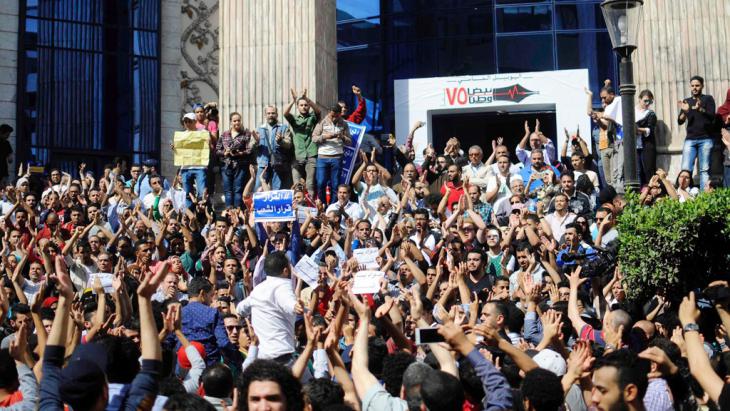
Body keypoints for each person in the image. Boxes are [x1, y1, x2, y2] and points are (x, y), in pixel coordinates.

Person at [678, 75, 716, 190]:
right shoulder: (687, 101)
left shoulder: (708, 99)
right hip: (690, 139)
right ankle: (684, 196)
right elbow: (680, 121)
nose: (694, 88)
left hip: (706, 138)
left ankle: (704, 197)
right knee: (685, 168)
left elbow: (712, 117)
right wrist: (684, 112)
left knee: (704, 170)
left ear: (702, 86)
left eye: (697, 85)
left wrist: (700, 109)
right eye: (692, 86)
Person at [312, 104, 352, 204]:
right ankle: (323, 204)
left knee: (335, 185)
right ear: (329, 113)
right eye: (332, 115)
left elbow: (349, 141)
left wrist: (342, 137)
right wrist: (325, 137)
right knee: (321, 183)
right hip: (322, 157)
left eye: (336, 116)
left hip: (337, 157)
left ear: (340, 114)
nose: (333, 118)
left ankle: (333, 206)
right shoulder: (322, 122)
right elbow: (314, 138)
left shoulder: (344, 124)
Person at [284, 88, 321, 196]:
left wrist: (307, 99)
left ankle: (312, 209)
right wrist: (293, 100)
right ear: (298, 107)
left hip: (311, 154)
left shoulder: (312, 117)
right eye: (301, 105)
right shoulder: (294, 119)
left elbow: (318, 112)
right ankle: (298, 208)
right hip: (297, 155)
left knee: (310, 184)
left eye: (306, 105)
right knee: (297, 185)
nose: (304, 107)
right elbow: (285, 113)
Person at [217, 112, 257, 208]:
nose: (237, 122)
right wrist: (224, 153)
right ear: (231, 122)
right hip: (226, 166)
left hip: (240, 165)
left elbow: (249, 150)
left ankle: (238, 212)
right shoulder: (224, 134)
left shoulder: (246, 134)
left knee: (238, 190)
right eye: (234, 121)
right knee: (227, 191)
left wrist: (239, 153)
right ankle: (229, 213)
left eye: (238, 120)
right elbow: (217, 150)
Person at [174, 113, 210, 208]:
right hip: (185, 168)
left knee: (202, 192)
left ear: (195, 122)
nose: (187, 123)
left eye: (189, 121)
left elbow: (208, 146)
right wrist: (175, 148)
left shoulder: (202, 133)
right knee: (187, 193)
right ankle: (189, 213)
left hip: (200, 167)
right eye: (185, 121)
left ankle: (201, 212)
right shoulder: (181, 136)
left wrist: (208, 142)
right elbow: (179, 151)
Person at [256, 105, 292, 191]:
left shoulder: (284, 128)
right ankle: (261, 205)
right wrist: (255, 142)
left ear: (277, 114)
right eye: (268, 113)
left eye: (273, 113)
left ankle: (275, 205)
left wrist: (281, 141)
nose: (270, 115)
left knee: (277, 189)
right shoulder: (260, 129)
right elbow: (251, 147)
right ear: (265, 115)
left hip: (278, 163)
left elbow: (289, 144)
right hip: (263, 163)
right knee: (259, 189)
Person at [636, 90, 658, 184]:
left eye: (650, 101)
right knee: (637, 171)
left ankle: (650, 193)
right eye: (645, 101)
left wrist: (637, 129)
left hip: (647, 146)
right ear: (639, 99)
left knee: (648, 170)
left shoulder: (650, 114)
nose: (647, 103)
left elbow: (650, 129)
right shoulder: (631, 112)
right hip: (634, 146)